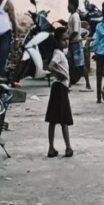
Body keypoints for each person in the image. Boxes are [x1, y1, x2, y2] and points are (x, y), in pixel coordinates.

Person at [45, 27, 74, 158]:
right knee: (63, 120)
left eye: (67, 39)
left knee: (54, 120)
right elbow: (50, 66)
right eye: (63, 39)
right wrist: (60, 74)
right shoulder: (58, 54)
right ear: (57, 41)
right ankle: (67, 147)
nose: (66, 41)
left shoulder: (61, 53)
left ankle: (52, 148)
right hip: (59, 88)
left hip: (59, 87)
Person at [66, 0, 91, 91]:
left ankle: (88, 84)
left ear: (74, 6)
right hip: (72, 43)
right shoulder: (72, 16)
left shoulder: (75, 16)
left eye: (69, 5)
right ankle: (68, 84)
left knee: (80, 65)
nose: (68, 7)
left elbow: (76, 31)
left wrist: (69, 39)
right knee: (69, 64)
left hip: (76, 43)